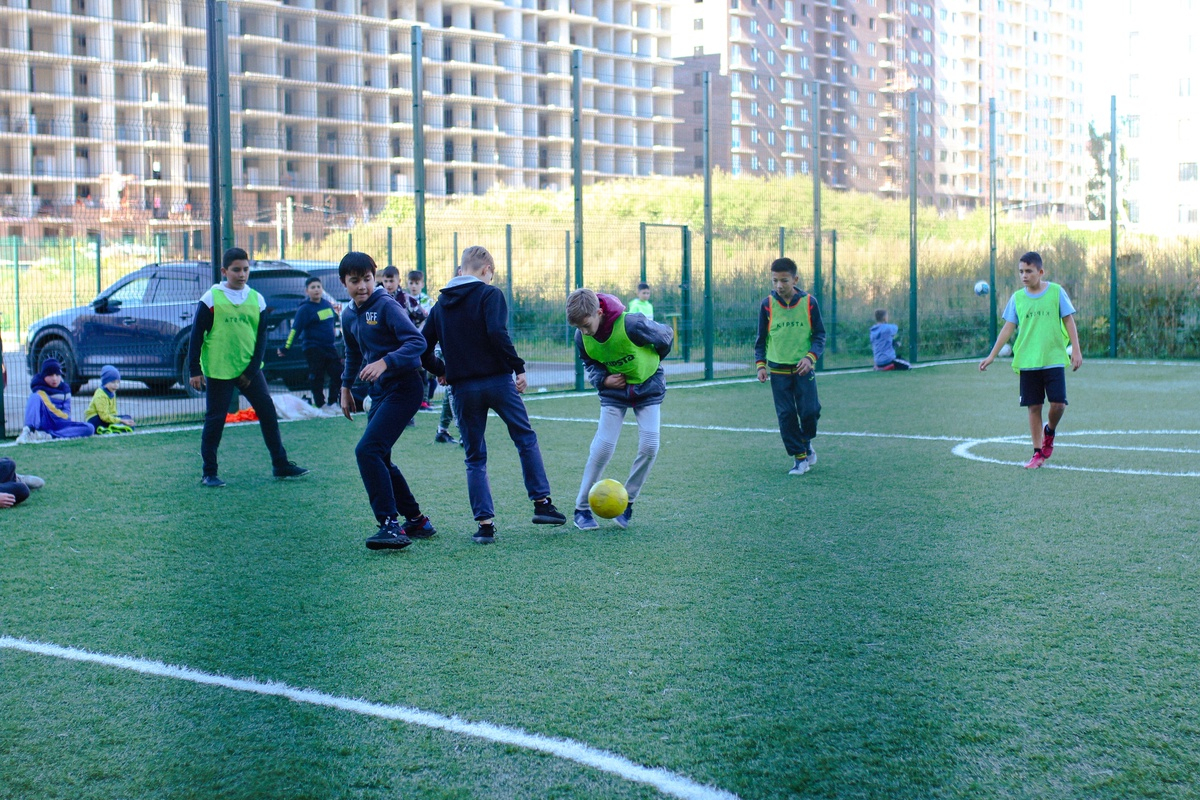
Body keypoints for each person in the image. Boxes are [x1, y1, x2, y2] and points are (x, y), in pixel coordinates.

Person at [422, 245, 567, 544]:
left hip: (461, 389)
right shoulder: (491, 294)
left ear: (461, 270)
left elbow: (421, 346)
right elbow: (497, 333)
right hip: (498, 383)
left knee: (475, 457)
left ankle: (485, 526)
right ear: (487, 270)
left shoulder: (440, 305)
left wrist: (441, 368)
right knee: (524, 438)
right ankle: (542, 505)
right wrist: (518, 367)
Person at [337, 252, 439, 550]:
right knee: (379, 456)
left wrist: (385, 362)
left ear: (375, 276)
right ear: (344, 282)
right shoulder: (348, 314)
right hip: (380, 392)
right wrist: (345, 387)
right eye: (354, 281)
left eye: (367, 279)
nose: (362, 287)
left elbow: (417, 342)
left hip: (406, 387)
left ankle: (390, 525)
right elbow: (353, 352)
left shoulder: (386, 306)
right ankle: (417, 521)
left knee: (367, 451)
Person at [187, 247, 309, 488]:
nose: (242, 274)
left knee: (267, 412)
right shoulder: (211, 298)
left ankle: (280, 464)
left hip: (249, 371)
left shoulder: (257, 299)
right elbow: (195, 336)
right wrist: (194, 370)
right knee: (215, 420)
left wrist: (252, 370)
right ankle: (209, 473)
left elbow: (261, 337)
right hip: (219, 370)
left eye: (245, 269)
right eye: (236, 270)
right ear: (224, 271)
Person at [566, 288, 673, 530]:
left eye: (585, 324)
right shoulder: (581, 337)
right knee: (602, 448)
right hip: (614, 392)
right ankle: (581, 509)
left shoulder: (633, 324)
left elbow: (665, 337)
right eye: (578, 327)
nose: (583, 331)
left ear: (599, 312)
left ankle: (628, 502)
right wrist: (603, 380)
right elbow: (590, 363)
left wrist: (648, 365)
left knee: (650, 445)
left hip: (648, 388)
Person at [979, 251, 1083, 469]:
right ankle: (1037, 453)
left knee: (1058, 404)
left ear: (1040, 272)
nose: (1024, 276)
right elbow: (1008, 328)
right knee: (1033, 407)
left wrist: (1076, 350)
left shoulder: (1056, 292)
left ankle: (1050, 431)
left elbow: (1069, 321)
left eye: (1029, 271)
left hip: (1053, 357)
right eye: (1021, 272)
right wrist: (992, 355)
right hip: (1027, 360)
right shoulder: (1017, 298)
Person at [754, 257, 826, 476]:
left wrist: (810, 357)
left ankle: (806, 441)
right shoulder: (767, 304)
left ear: (795, 279)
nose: (779, 285)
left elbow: (820, 335)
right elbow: (761, 338)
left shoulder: (809, 302)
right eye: (775, 280)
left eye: (784, 280)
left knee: (810, 411)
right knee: (786, 415)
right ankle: (800, 458)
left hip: (803, 369)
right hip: (777, 370)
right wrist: (761, 365)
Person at [278, 276, 343, 412]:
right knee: (317, 376)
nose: (316, 290)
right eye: (313, 287)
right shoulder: (305, 309)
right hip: (313, 348)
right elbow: (295, 330)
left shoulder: (327, 304)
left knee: (338, 373)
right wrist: (286, 348)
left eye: (318, 287)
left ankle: (332, 403)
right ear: (307, 291)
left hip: (329, 347)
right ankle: (321, 405)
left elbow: (333, 324)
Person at [24, 358, 93, 439]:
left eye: (57, 375)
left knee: (90, 428)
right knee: (34, 397)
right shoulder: (38, 390)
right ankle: (29, 430)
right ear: (43, 376)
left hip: (60, 422)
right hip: (45, 421)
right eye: (50, 375)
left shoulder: (65, 390)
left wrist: (60, 419)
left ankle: (50, 435)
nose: (54, 378)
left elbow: (66, 415)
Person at [84, 365, 136, 433]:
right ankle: (105, 429)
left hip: (106, 418)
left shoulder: (112, 392)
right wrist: (120, 421)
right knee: (124, 421)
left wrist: (120, 420)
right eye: (113, 382)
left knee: (127, 418)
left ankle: (113, 428)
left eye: (118, 382)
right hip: (94, 420)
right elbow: (104, 417)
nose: (116, 385)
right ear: (105, 382)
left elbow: (113, 412)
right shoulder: (100, 395)